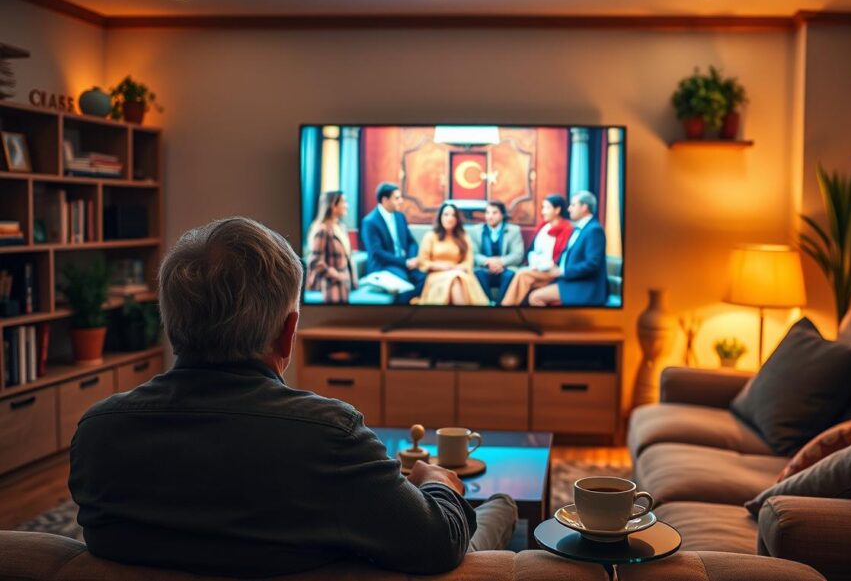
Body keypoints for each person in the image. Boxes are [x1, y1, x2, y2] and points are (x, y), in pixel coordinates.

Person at [69, 217, 517, 578]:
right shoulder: (329, 435)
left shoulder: (98, 432)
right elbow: (438, 545)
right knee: (499, 507)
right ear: (289, 332)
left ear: (170, 325)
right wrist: (438, 482)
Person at [527, 191, 608, 307]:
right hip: (567, 279)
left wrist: (563, 271)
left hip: (583, 286)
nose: (569, 209)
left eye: (573, 205)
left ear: (584, 207)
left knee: (535, 297)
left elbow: (592, 264)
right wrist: (554, 266)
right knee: (528, 284)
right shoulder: (580, 228)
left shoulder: (594, 230)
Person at [500, 194, 574, 307]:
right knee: (524, 279)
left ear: (557, 210)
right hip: (537, 268)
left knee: (522, 274)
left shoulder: (567, 229)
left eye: (547, 208)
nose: (543, 212)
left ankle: (504, 309)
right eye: (543, 207)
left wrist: (544, 265)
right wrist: (535, 262)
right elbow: (533, 250)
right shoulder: (543, 227)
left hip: (553, 270)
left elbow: (561, 257)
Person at [360, 182, 425, 304]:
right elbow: (377, 253)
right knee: (403, 280)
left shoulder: (400, 217)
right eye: (397, 198)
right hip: (384, 266)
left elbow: (411, 242)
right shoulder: (370, 222)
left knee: (424, 278)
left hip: (404, 264)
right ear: (385, 200)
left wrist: (411, 259)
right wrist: (405, 262)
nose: (401, 201)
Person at [417, 203, 490, 306]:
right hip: (436, 275)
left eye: (453, 215)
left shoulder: (464, 236)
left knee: (457, 278)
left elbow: (468, 262)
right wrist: (441, 267)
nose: (450, 218)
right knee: (454, 280)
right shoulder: (430, 236)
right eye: (446, 215)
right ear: (440, 217)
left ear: (457, 219)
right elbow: (423, 262)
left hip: (459, 273)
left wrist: (456, 268)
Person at [468, 200, 524, 304]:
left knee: (509, 275)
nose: (490, 216)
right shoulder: (475, 231)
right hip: (484, 267)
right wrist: (488, 261)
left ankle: (500, 305)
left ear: (502, 215)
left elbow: (518, 255)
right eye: (487, 213)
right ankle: (488, 303)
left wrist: (500, 262)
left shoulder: (514, 230)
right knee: (477, 273)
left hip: (506, 267)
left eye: (494, 213)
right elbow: (473, 253)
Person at [305, 191, 356, 304]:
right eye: (343, 202)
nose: (346, 205)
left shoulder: (341, 227)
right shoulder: (322, 230)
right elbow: (315, 262)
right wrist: (338, 276)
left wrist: (351, 280)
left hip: (344, 287)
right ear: (333, 205)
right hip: (330, 289)